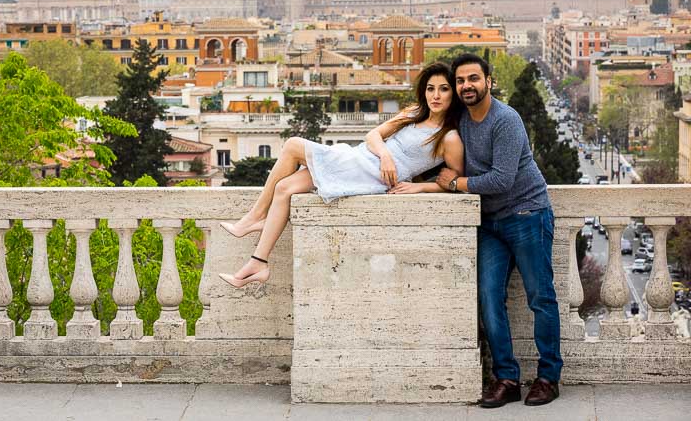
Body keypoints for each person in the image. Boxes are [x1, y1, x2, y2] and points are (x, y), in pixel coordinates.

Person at [218, 62, 465, 288]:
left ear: (453, 93)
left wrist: (419, 187)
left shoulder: (450, 137)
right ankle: (258, 263)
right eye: (430, 88)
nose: (435, 95)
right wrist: (386, 155)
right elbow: (372, 136)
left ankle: (255, 216)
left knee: (293, 144)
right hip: (360, 158)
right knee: (284, 189)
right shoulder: (413, 113)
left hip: (368, 176)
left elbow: (453, 182)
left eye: (443, 89)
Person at [436, 53, 562, 408]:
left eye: (473, 79)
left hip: (526, 213)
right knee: (489, 299)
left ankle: (548, 377)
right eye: (460, 81)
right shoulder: (459, 120)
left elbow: (503, 180)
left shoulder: (506, 120)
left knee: (541, 297)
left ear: (488, 81)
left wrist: (456, 184)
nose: (466, 87)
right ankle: (506, 378)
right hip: (490, 223)